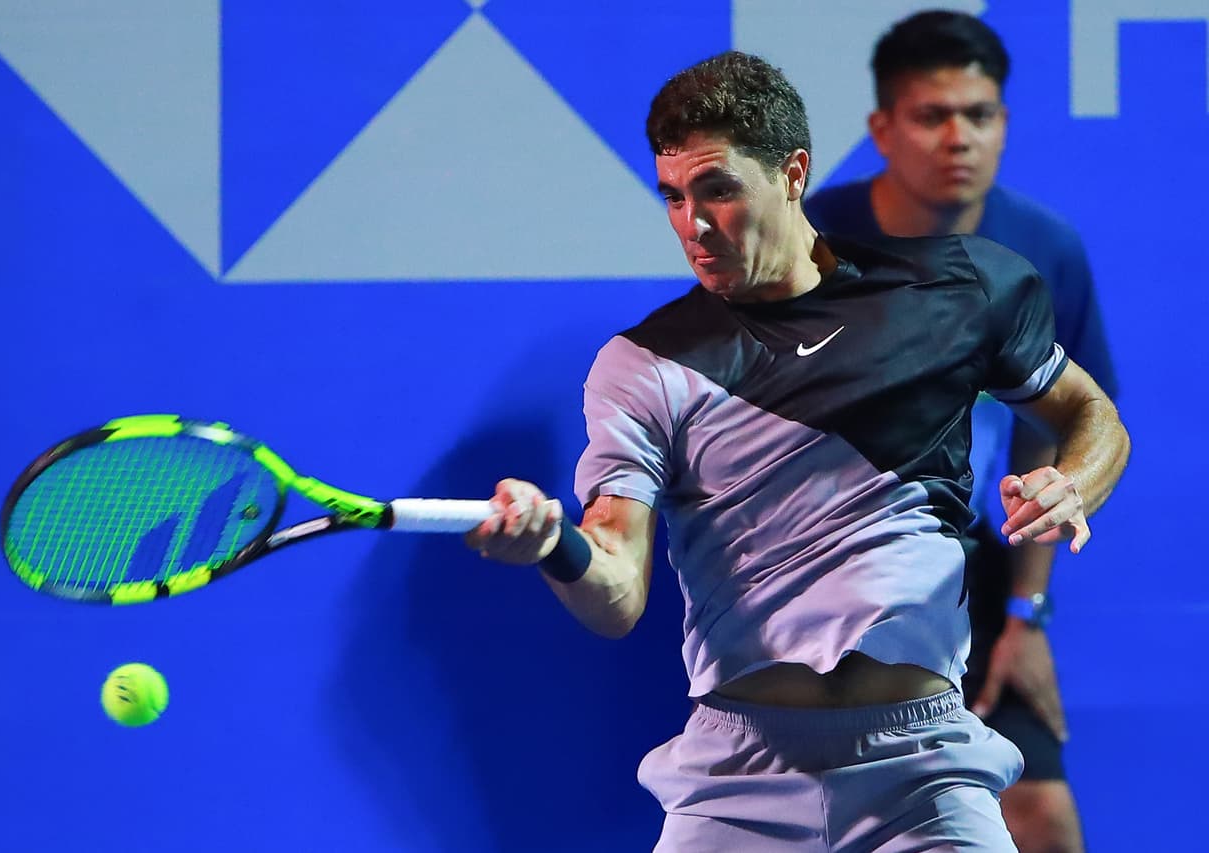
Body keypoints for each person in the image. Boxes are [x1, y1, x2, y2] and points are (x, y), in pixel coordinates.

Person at [467, 50, 1129, 851]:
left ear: (792, 173)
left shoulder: (958, 294)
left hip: (922, 769)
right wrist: (555, 546)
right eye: (672, 197)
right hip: (736, 777)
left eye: (718, 189)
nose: (694, 225)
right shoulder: (645, 365)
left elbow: (1092, 414)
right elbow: (616, 595)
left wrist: (1074, 482)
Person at [803, 12, 1119, 852]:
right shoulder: (811, 243)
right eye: (931, 116)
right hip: (813, 572)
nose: (959, 138)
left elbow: (1056, 434)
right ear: (882, 129)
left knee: (1039, 811)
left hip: (964, 567)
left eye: (979, 115)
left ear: (1004, 123)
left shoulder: (1045, 250)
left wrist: (1024, 611)